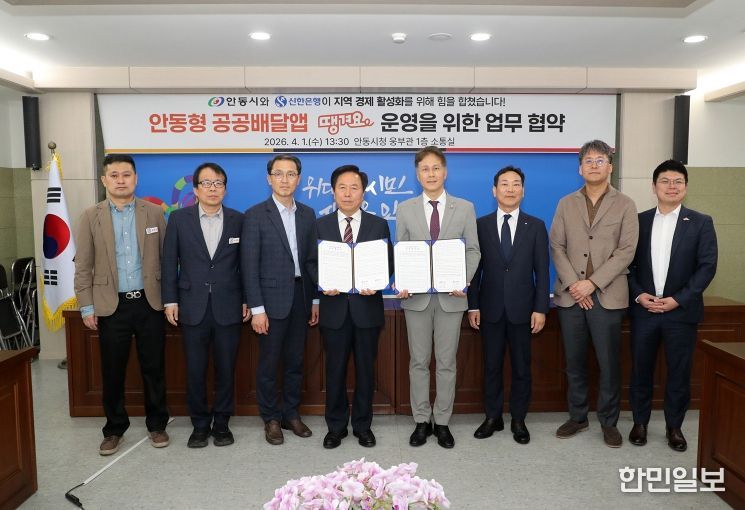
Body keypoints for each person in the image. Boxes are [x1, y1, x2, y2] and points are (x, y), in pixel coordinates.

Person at [74, 153, 169, 455]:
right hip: (110, 305)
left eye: (126, 174)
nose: (120, 180)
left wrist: (170, 299)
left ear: (135, 179)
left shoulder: (154, 213)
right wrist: (86, 306)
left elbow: (167, 260)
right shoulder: (90, 216)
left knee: (154, 368)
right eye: (114, 175)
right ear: (104, 180)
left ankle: (157, 425)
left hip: (149, 303)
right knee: (112, 370)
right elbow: (83, 265)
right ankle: (114, 428)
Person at [550, 139, 638, 448]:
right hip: (570, 297)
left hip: (608, 296)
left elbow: (626, 251)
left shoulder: (625, 204)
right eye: (588, 161)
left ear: (610, 167)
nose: (594, 165)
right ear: (580, 168)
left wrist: (593, 283)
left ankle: (609, 421)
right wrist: (576, 284)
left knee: (609, 364)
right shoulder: (566, 203)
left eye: (600, 160)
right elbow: (557, 246)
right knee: (574, 362)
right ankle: (577, 417)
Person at [628, 160, 717, 452]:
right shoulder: (638, 221)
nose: (671, 186)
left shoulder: (701, 222)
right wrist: (639, 295)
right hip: (644, 311)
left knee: (679, 373)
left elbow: (707, 267)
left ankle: (674, 427)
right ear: (654, 187)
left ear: (686, 187)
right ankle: (639, 423)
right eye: (665, 181)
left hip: (681, 312)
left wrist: (678, 299)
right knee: (640, 370)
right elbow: (626, 265)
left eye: (678, 181)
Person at [395, 146, 480, 449]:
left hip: (451, 298)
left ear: (445, 172)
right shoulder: (405, 209)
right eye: (424, 169)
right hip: (416, 298)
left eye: (435, 168)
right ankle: (421, 420)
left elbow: (473, 250)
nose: (430, 174)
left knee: (446, 362)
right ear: (417, 175)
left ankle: (442, 421)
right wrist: (402, 281)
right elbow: (401, 250)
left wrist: (463, 280)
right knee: (418, 362)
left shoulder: (465, 208)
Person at [161, 162, 250, 448]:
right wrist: (170, 300)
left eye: (219, 183)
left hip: (229, 305)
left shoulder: (238, 220)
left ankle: (222, 424)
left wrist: (247, 299)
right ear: (196, 189)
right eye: (207, 183)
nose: (213, 189)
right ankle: (199, 425)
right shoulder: (179, 219)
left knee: (226, 369)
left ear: (225, 189)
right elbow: (169, 262)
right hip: (192, 305)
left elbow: (246, 264)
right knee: (195, 370)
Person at [468, 166, 549, 445]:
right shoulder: (480, 225)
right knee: (491, 366)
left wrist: (540, 308)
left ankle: (518, 419)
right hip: (489, 309)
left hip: (523, 310)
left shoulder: (535, 226)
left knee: (521, 368)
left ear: (523, 191)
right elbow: (474, 271)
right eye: (504, 184)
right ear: (494, 190)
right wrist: (473, 306)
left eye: (516, 184)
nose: (510, 189)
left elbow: (542, 271)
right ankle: (492, 417)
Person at [242, 154, 319, 445]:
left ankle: (291, 413)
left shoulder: (308, 214)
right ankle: (271, 418)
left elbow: (311, 261)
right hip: (270, 302)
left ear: (299, 179)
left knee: (295, 361)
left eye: (290, 174)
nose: (284, 180)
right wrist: (257, 308)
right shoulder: (255, 215)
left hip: (301, 297)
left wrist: (315, 301)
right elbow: (249, 265)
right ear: (269, 178)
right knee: (269, 363)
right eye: (278, 174)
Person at [316, 165, 393, 449]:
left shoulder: (378, 224)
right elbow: (311, 262)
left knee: (365, 371)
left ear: (363, 192)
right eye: (342, 187)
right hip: (334, 310)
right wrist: (323, 283)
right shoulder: (321, 225)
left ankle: (363, 425)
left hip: (366, 310)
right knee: (334, 371)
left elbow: (388, 262)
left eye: (354, 188)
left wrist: (379, 282)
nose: (348, 193)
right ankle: (335, 427)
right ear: (333, 191)